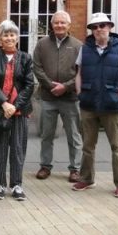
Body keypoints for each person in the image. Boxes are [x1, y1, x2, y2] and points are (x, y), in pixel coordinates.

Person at [73, 12, 118, 199]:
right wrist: (79, 93)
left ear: (109, 27)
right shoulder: (85, 49)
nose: (98, 29)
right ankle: (86, 178)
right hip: (89, 103)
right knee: (87, 146)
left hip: (112, 105)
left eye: (102, 25)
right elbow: (78, 73)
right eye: (95, 27)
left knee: (117, 147)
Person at [0, 20, 35, 201]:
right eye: (5, 35)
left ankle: (17, 185)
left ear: (17, 37)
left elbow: (29, 85)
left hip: (20, 110)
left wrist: (15, 105)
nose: (9, 38)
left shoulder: (26, 58)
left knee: (18, 148)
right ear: (0, 37)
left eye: (12, 34)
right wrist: (4, 103)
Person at [32, 10, 83, 184]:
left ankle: (75, 169)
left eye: (63, 23)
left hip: (70, 98)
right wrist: (50, 85)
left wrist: (66, 87)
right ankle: (45, 166)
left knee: (73, 135)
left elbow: (81, 72)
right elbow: (36, 67)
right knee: (47, 134)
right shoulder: (42, 44)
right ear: (52, 25)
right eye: (56, 23)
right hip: (48, 96)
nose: (59, 25)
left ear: (69, 25)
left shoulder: (78, 46)